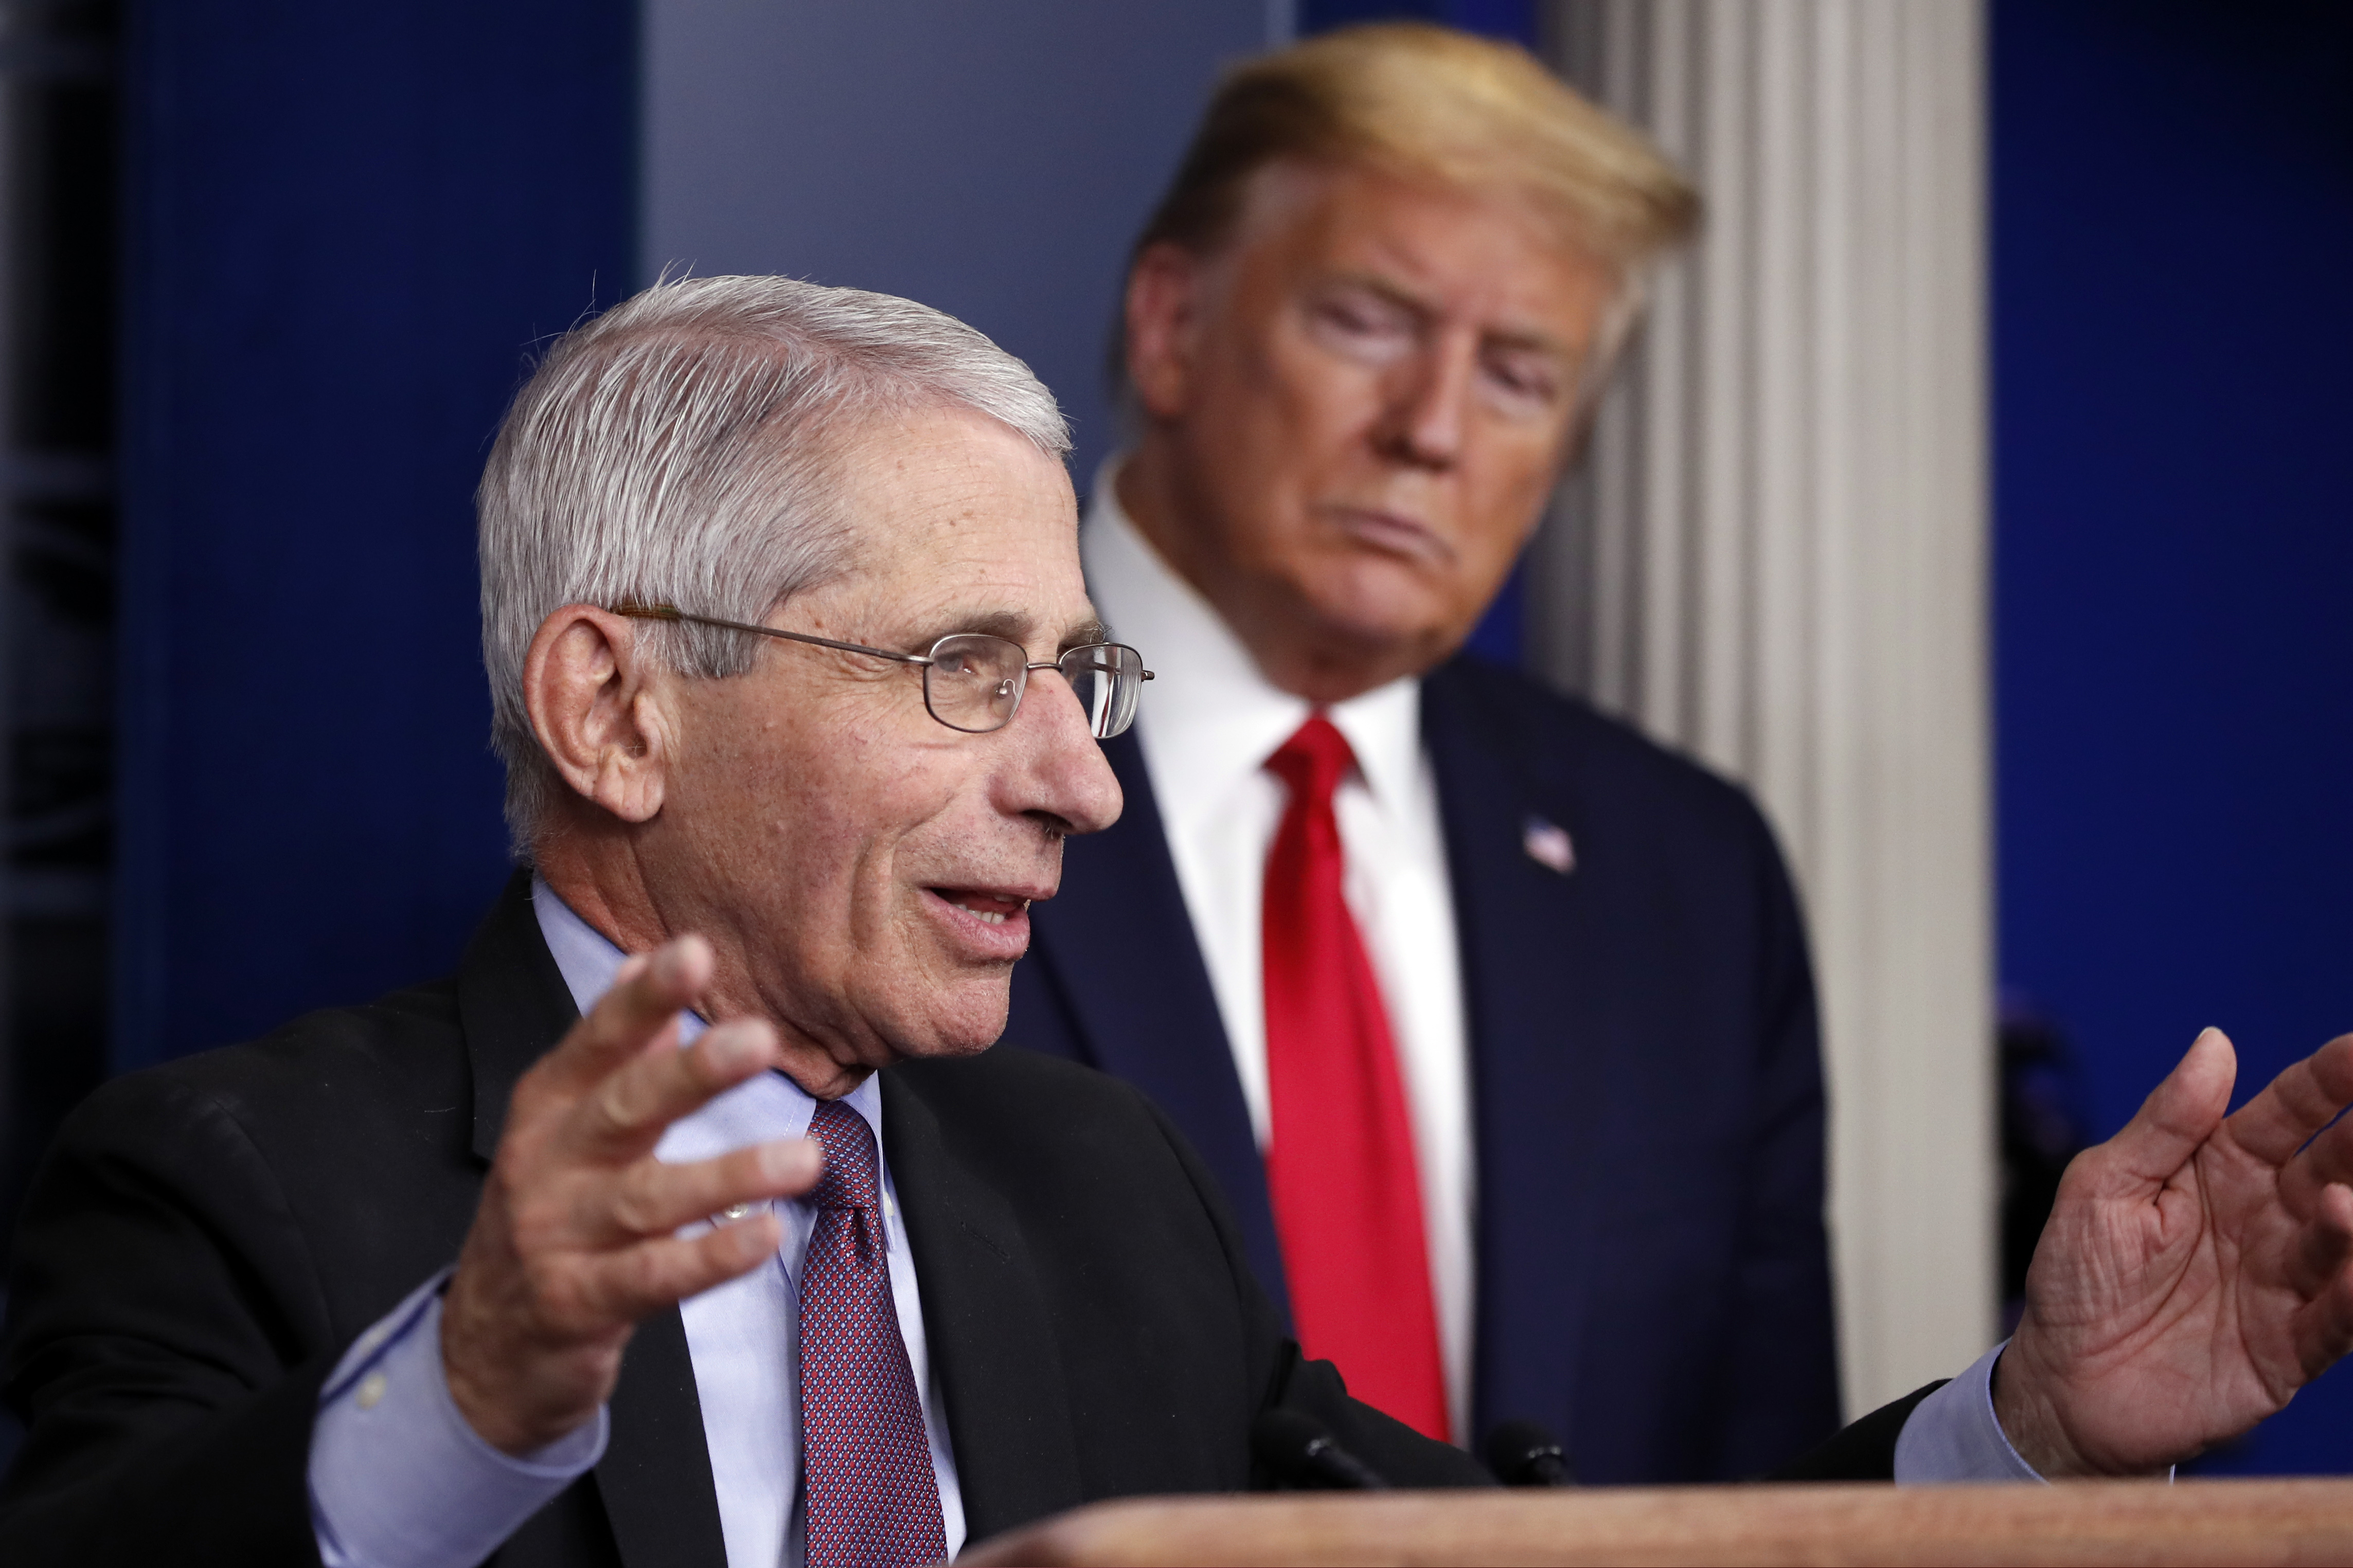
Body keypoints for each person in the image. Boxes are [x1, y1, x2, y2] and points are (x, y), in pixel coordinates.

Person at [5, 277, 2353, 1568]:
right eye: (967, 675)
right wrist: (476, 1399)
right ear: (618, 709)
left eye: (1083, 676)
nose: (1082, 778)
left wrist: (2029, 1432)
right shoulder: (230, 1186)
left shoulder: (1093, 1188)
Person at [1001, 22, 1827, 1473]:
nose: (1429, 428)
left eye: (1516, 375)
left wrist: (2026, 1428)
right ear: (1170, 325)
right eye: (1367, 322)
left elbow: (1761, 1494)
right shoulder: (902, 759)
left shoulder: (1686, 877)